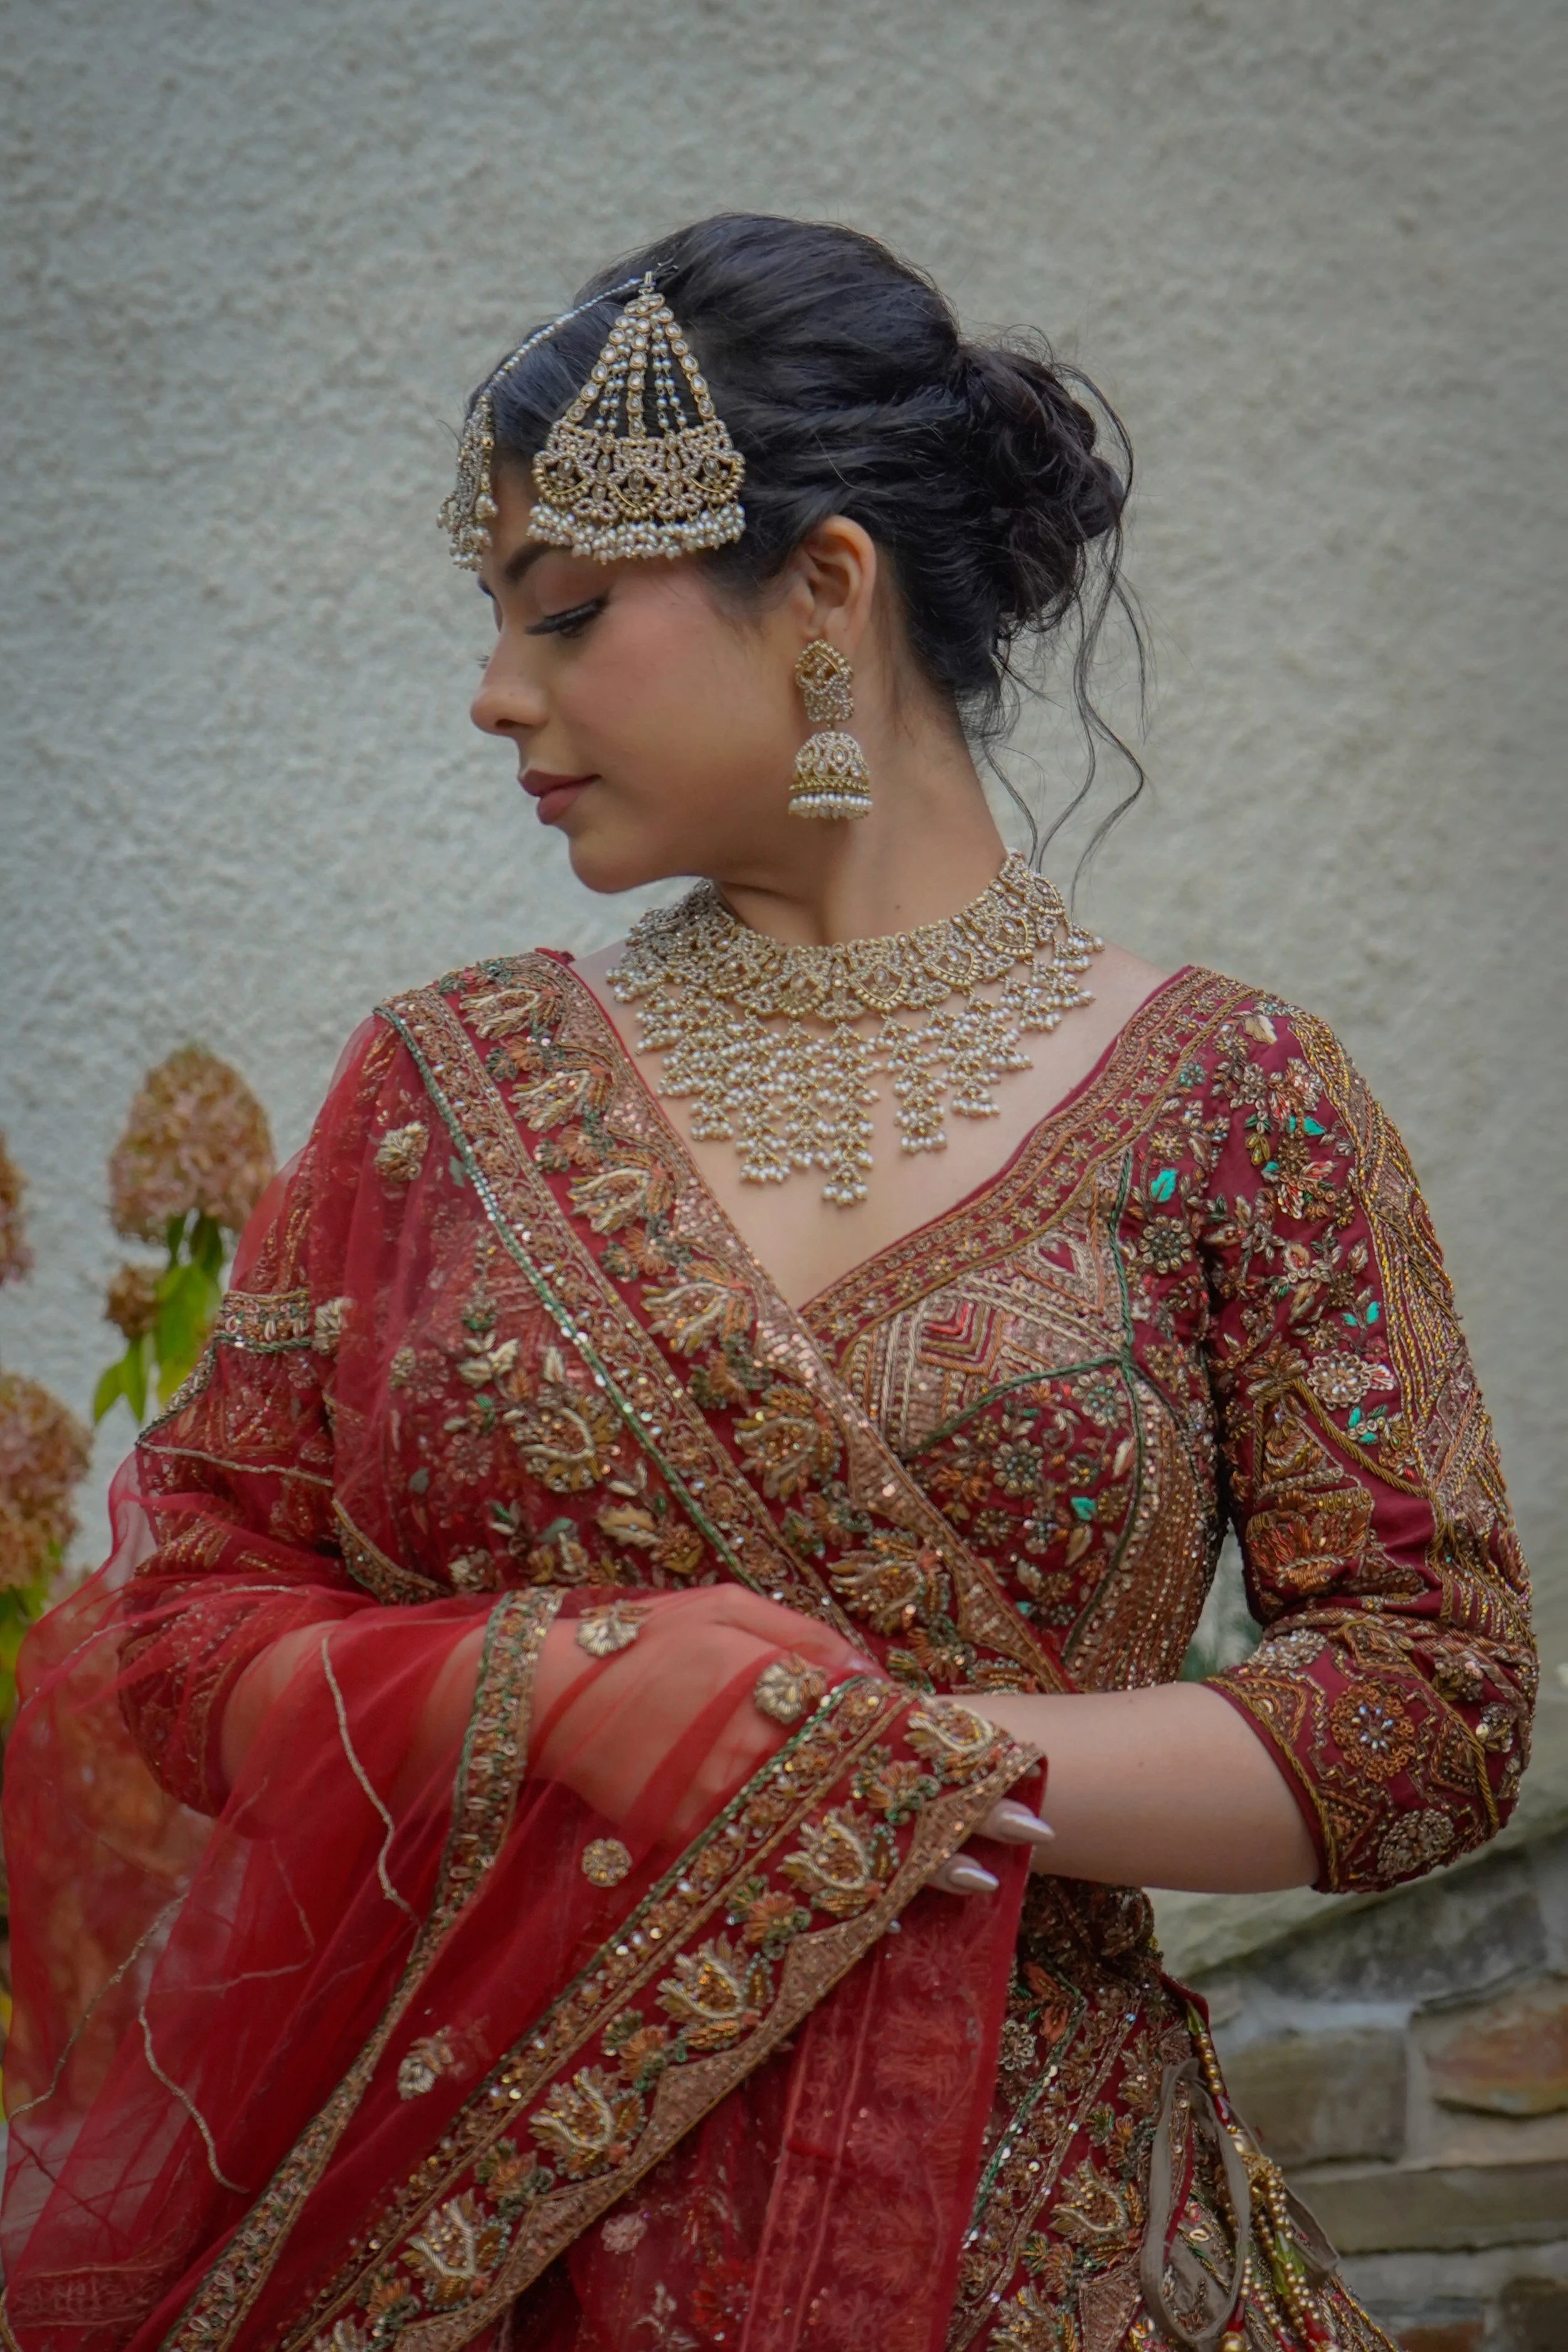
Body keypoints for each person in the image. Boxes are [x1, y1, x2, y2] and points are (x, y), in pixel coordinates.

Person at [0, 214, 1532, 2352]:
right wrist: (563, 1687)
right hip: (488, 2242)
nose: (494, 692)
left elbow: (1426, 1706)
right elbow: (186, 1617)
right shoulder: (440, 1089)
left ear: (822, 592)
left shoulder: (1231, 1097)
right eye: (493, 621)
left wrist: (876, 1757)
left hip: (1044, 2253)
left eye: (563, 614)